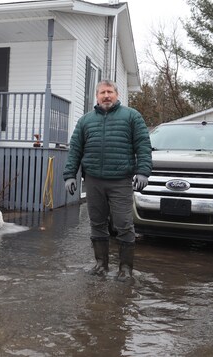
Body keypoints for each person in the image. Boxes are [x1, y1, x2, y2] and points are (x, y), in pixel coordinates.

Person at [63, 79, 152, 281]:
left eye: (110, 92)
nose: (106, 96)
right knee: (97, 223)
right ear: (97, 96)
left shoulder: (132, 117)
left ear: (117, 94)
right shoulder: (85, 121)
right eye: (102, 92)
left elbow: (143, 146)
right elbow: (75, 149)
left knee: (124, 224)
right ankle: (101, 264)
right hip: (94, 180)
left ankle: (125, 268)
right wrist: (69, 175)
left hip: (120, 181)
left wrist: (143, 172)